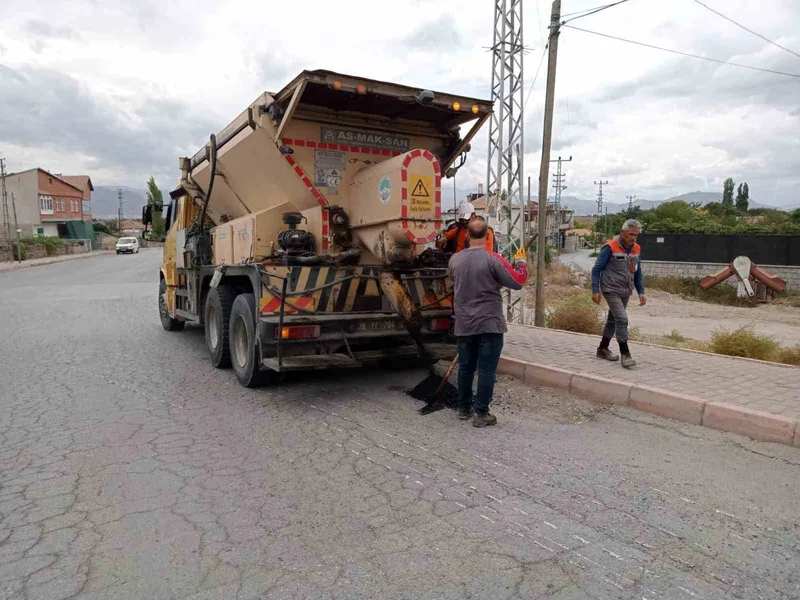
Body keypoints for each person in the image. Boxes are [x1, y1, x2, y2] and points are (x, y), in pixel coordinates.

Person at [448, 217, 528, 427]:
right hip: (489, 324)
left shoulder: (455, 260)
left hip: (464, 324)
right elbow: (518, 281)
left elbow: (456, 280)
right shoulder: (493, 259)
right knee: (486, 370)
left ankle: (463, 409)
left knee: (465, 368)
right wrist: (521, 263)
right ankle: (481, 413)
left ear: (467, 235)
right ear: (487, 235)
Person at [591, 219, 647, 368]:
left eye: (636, 235)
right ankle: (625, 353)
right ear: (622, 233)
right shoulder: (610, 247)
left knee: (613, 320)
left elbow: (637, 272)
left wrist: (641, 291)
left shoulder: (637, 248)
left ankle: (602, 349)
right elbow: (596, 270)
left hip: (625, 290)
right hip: (610, 288)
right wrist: (595, 290)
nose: (634, 238)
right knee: (622, 318)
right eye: (631, 234)